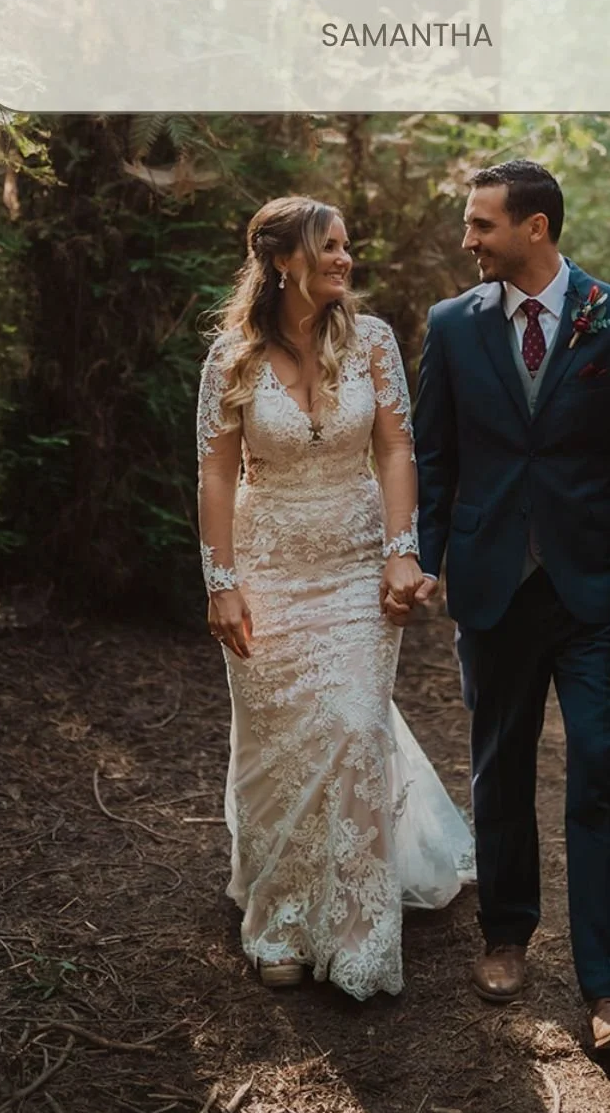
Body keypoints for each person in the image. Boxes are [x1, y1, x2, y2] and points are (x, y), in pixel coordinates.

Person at [409, 159, 610, 1052]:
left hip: (596, 590)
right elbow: (435, 457)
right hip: (493, 583)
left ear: (536, 228)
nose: (468, 240)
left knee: (603, 770)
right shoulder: (452, 327)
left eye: (482, 224)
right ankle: (506, 933)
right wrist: (420, 557)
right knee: (499, 764)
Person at [196, 195, 473, 1000]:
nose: (345, 259)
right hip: (268, 564)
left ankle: (355, 928)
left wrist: (401, 551)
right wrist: (222, 582)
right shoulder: (231, 361)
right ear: (284, 261)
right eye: (329, 247)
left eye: (348, 245)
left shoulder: (375, 343)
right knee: (278, 743)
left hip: (357, 564)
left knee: (353, 727)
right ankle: (280, 917)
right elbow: (215, 472)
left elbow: (395, 449)